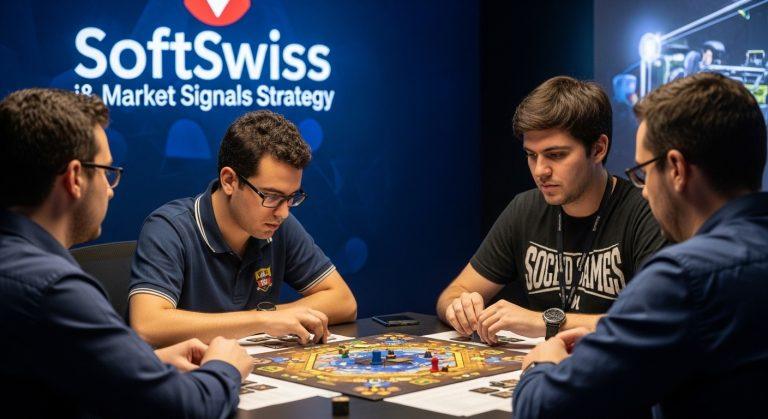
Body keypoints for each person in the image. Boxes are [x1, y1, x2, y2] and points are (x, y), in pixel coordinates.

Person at [515, 72, 768, 418]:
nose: (645, 190)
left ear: (676, 168)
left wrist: (541, 366)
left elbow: (543, 409)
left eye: (644, 173)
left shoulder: (681, 278)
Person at [0, 88, 253, 418]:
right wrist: (224, 367)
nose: (109, 189)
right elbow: (184, 409)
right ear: (75, 178)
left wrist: (148, 363)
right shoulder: (54, 289)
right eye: (106, 171)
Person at [436, 76, 665, 343]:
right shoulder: (525, 208)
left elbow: (654, 321)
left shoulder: (644, 212)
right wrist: (460, 307)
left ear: (598, 149)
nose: (540, 171)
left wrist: (544, 322)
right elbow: (452, 293)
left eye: (556, 155)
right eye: (532, 155)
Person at [129, 110, 357, 347]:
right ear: (229, 181)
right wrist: (263, 319)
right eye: (270, 196)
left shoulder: (279, 224)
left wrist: (271, 317)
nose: (283, 212)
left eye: (292, 197)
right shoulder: (169, 228)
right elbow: (147, 325)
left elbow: (343, 300)